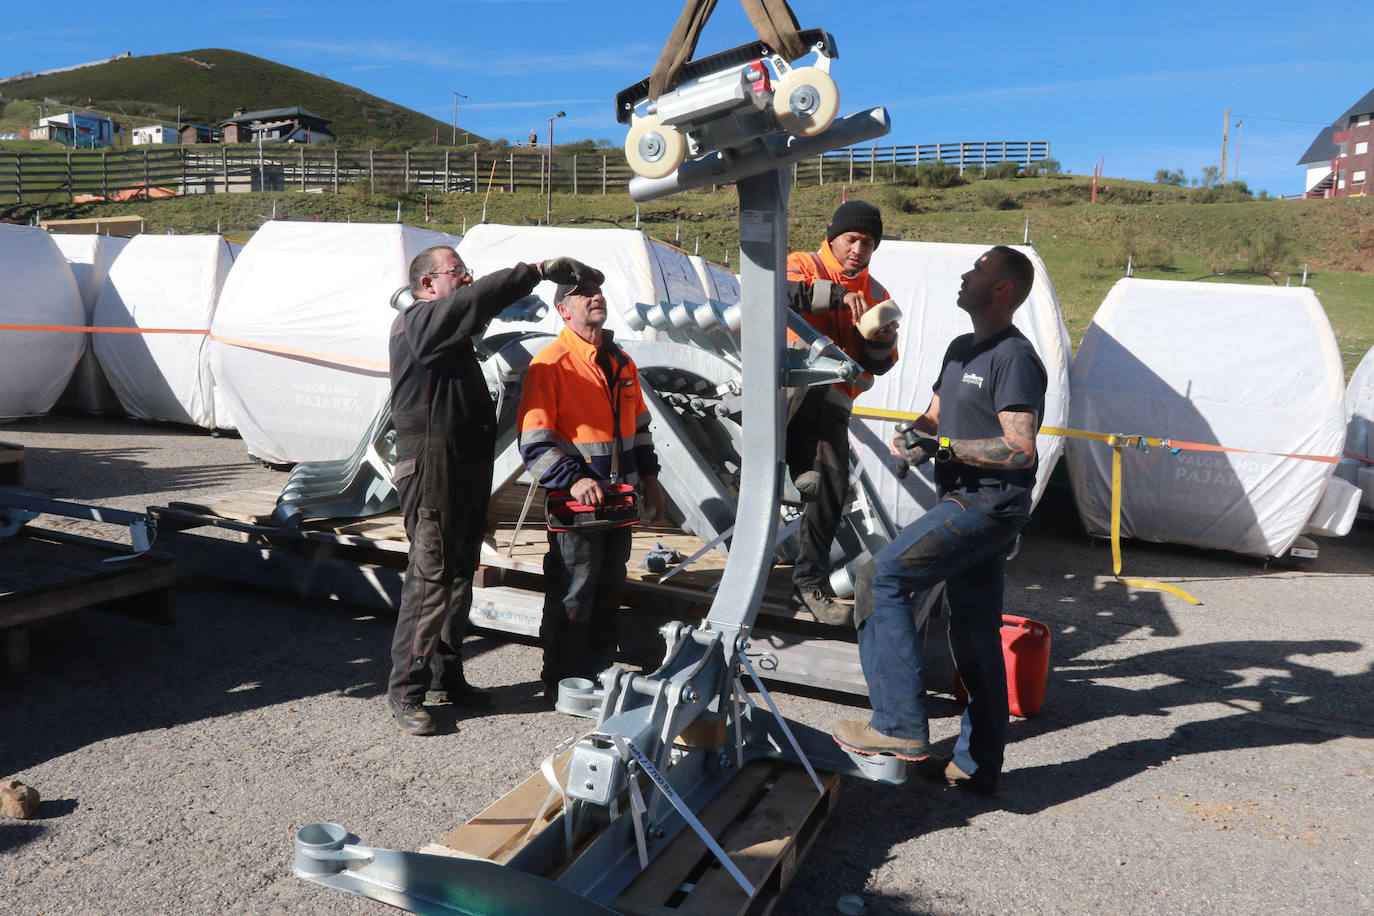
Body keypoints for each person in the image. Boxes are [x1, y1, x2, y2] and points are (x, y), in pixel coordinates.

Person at [831, 246, 1046, 798]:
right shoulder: (959, 349)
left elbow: (1020, 450)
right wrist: (913, 436)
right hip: (967, 498)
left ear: (1002, 289)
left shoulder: (1015, 358)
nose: (964, 274)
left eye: (977, 270)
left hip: (987, 504)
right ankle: (977, 766)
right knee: (974, 633)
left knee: (882, 577)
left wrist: (944, 446)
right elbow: (932, 416)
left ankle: (898, 726)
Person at [387, 245, 600, 736]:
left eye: (467, 273)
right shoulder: (416, 323)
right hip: (433, 473)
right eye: (457, 273)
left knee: (459, 577)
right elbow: (473, 303)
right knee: (430, 581)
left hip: (459, 473)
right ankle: (406, 691)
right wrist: (536, 273)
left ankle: (444, 677)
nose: (466, 282)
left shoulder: (448, 337)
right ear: (426, 285)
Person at [518, 274, 666, 701]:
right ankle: (561, 679)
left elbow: (639, 432)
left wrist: (651, 480)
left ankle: (598, 673)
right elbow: (533, 443)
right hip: (576, 506)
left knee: (609, 589)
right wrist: (575, 478)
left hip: (620, 503)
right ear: (563, 310)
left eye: (598, 291)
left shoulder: (621, 362)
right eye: (583, 294)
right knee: (574, 592)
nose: (596, 297)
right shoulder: (551, 364)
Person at [784, 200, 899, 624]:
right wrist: (837, 294)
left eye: (868, 243)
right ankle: (796, 464)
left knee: (831, 485)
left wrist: (882, 340)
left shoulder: (878, 295)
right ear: (833, 236)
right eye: (852, 239)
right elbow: (776, 292)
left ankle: (808, 582)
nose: (858, 249)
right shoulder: (801, 263)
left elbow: (878, 366)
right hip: (782, 394)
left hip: (831, 404)